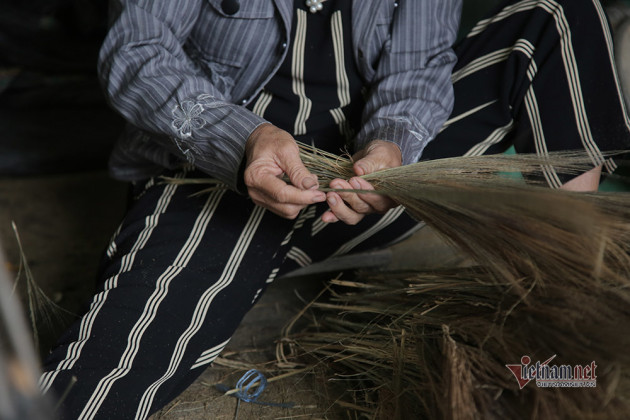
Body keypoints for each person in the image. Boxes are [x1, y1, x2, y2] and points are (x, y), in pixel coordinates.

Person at [40, 0, 630, 418]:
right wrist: (239, 139)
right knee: (114, 365)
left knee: (556, 16)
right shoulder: (229, 153)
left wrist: (388, 145)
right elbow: (136, 51)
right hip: (223, 175)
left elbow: (415, 74)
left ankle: (566, 305)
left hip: (367, 183)